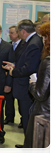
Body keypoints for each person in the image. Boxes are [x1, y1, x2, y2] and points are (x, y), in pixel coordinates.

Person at [2, 19, 43, 149]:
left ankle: (29, 147)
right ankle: (27, 144)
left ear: (23, 31)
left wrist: (13, 72)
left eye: (19, 32)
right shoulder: (31, 41)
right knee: (25, 117)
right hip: (25, 86)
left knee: (27, 118)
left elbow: (29, 68)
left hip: (26, 87)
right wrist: (14, 65)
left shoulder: (34, 43)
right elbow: (25, 62)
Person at [22, 21, 52, 152]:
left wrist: (33, 83)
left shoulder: (49, 61)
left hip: (45, 114)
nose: (43, 40)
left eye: (45, 37)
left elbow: (40, 94)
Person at [4, 25, 24, 128]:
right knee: (8, 97)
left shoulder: (24, 45)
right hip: (9, 75)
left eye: (12, 33)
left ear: (18, 33)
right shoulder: (8, 45)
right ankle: (9, 117)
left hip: (19, 75)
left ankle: (22, 119)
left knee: (20, 99)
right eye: (9, 33)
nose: (10, 35)